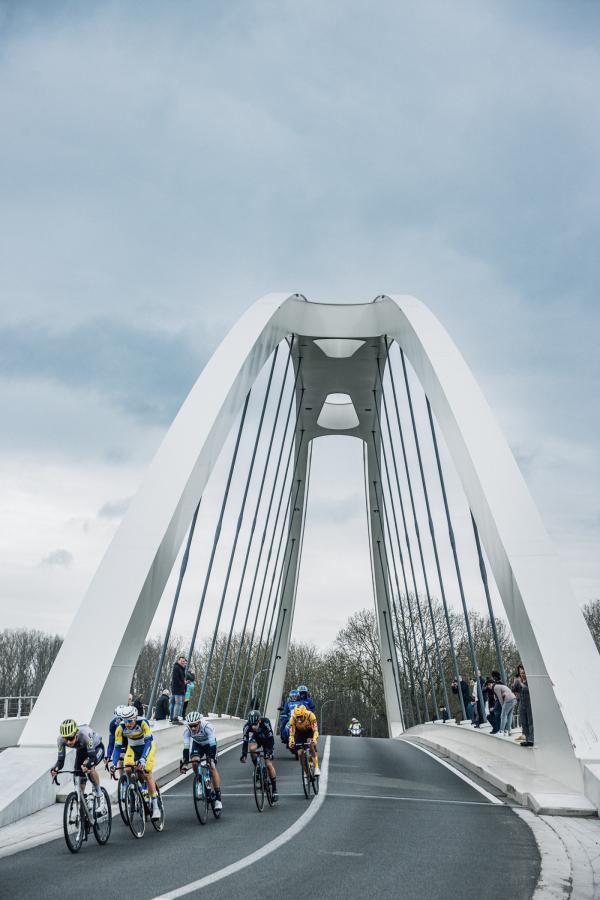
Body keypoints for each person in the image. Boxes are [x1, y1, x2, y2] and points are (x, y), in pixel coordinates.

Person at [109, 705, 161, 819]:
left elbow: (148, 742)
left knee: (146, 773)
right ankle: (139, 790)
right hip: (132, 748)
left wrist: (143, 758)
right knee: (127, 769)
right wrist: (113, 763)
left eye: (130, 721)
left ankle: (156, 807)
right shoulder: (120, 728)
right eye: (124, 721)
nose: (127, 724)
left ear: (135, 718)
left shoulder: (143, 723)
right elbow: (117, 748)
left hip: (146, 747)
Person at [50, 719, 107, 814]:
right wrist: (56, 769)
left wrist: (88, 765)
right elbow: (60, 760)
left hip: (96, 748)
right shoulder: (60, 740)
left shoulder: (85, 734)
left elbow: (92, 758)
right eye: (66, 739)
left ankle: (99, 794)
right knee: (79, 779)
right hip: (81, 751)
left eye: (71, 738)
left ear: (76, 734)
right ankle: (82, 812)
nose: (68, 742)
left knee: (88, 766)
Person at [179, 710, 222, 810]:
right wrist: (185, 764)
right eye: (191, 726)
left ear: (199, 723)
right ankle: (199, 781)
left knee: (212, 767)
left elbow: (213, 745)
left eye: (195, 725)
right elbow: (186, 748)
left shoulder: (207, 727)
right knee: (194, 762)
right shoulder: (187, 731)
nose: (193, 728)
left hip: (209, 745)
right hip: (197, 744)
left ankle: (218, 798)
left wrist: (211, 758)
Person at [240, 709, 278, 802]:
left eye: (255, 724)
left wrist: (268, 752)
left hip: (267, 741)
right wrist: (244, 755)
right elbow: (245, 741)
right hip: (257, 739)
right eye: (251, 724)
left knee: (268, 764)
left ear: (259, 721)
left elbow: (271, 739)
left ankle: (274, 789)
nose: (253, 727)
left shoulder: (266, 722)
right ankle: (257, 768)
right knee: (252, 749)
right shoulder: (247, 726)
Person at [288, 704, 320, 775]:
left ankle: (316, 767)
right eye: (297, 717)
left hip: (309, 731)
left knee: (310, 744)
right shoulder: (292, 718)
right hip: (299, 733)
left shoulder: (311, 715)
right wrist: (291, 740)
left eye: (300, 717)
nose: (299, 719)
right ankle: (306, 772)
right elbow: (291, 733)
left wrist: (314, 739)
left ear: (304, 714)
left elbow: (315, 730)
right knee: (300, 753)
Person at [491, 670, 516, 737]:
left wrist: (503, 706)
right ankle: (508, 730)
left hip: (508, 700)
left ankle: (501, 731)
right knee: (509, 715)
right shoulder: (501, 685)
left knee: (503, 715)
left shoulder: (495, 687)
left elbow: (499, 698)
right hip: (513, 699)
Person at [514, 664, 534, 747]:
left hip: (529, 703)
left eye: (524, 673)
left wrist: (521, 684)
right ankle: (526, 738)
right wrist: (515, 682)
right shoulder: (519, 681)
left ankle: (531, 739)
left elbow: (529, 690)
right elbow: (514, 690)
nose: (522, 674)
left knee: (530, 721)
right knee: (523, 722)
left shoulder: (530, 681)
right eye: (521, 673)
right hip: (522, 703)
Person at [105, 704, 130, 769]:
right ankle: (122, 778)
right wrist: (108, 755)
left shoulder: (130, 723)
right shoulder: (113, 725)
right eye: (117, 718)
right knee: (121, 758)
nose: (119, 720)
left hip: (131, 740)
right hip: (122, 741)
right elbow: (111, 742)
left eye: (121, 719)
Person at [170, 653, 188, 723]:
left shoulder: (181, 668)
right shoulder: (177, 668)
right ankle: (175, 718)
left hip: (179, 688)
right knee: (178, 704)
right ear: (178, 661)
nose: (183, 662)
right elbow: (176, 678)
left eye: (184, 661)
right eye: (181, 661)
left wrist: (183, 682)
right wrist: (182, 684)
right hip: (177, 689)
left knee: (175, 703)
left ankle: (173, 718)